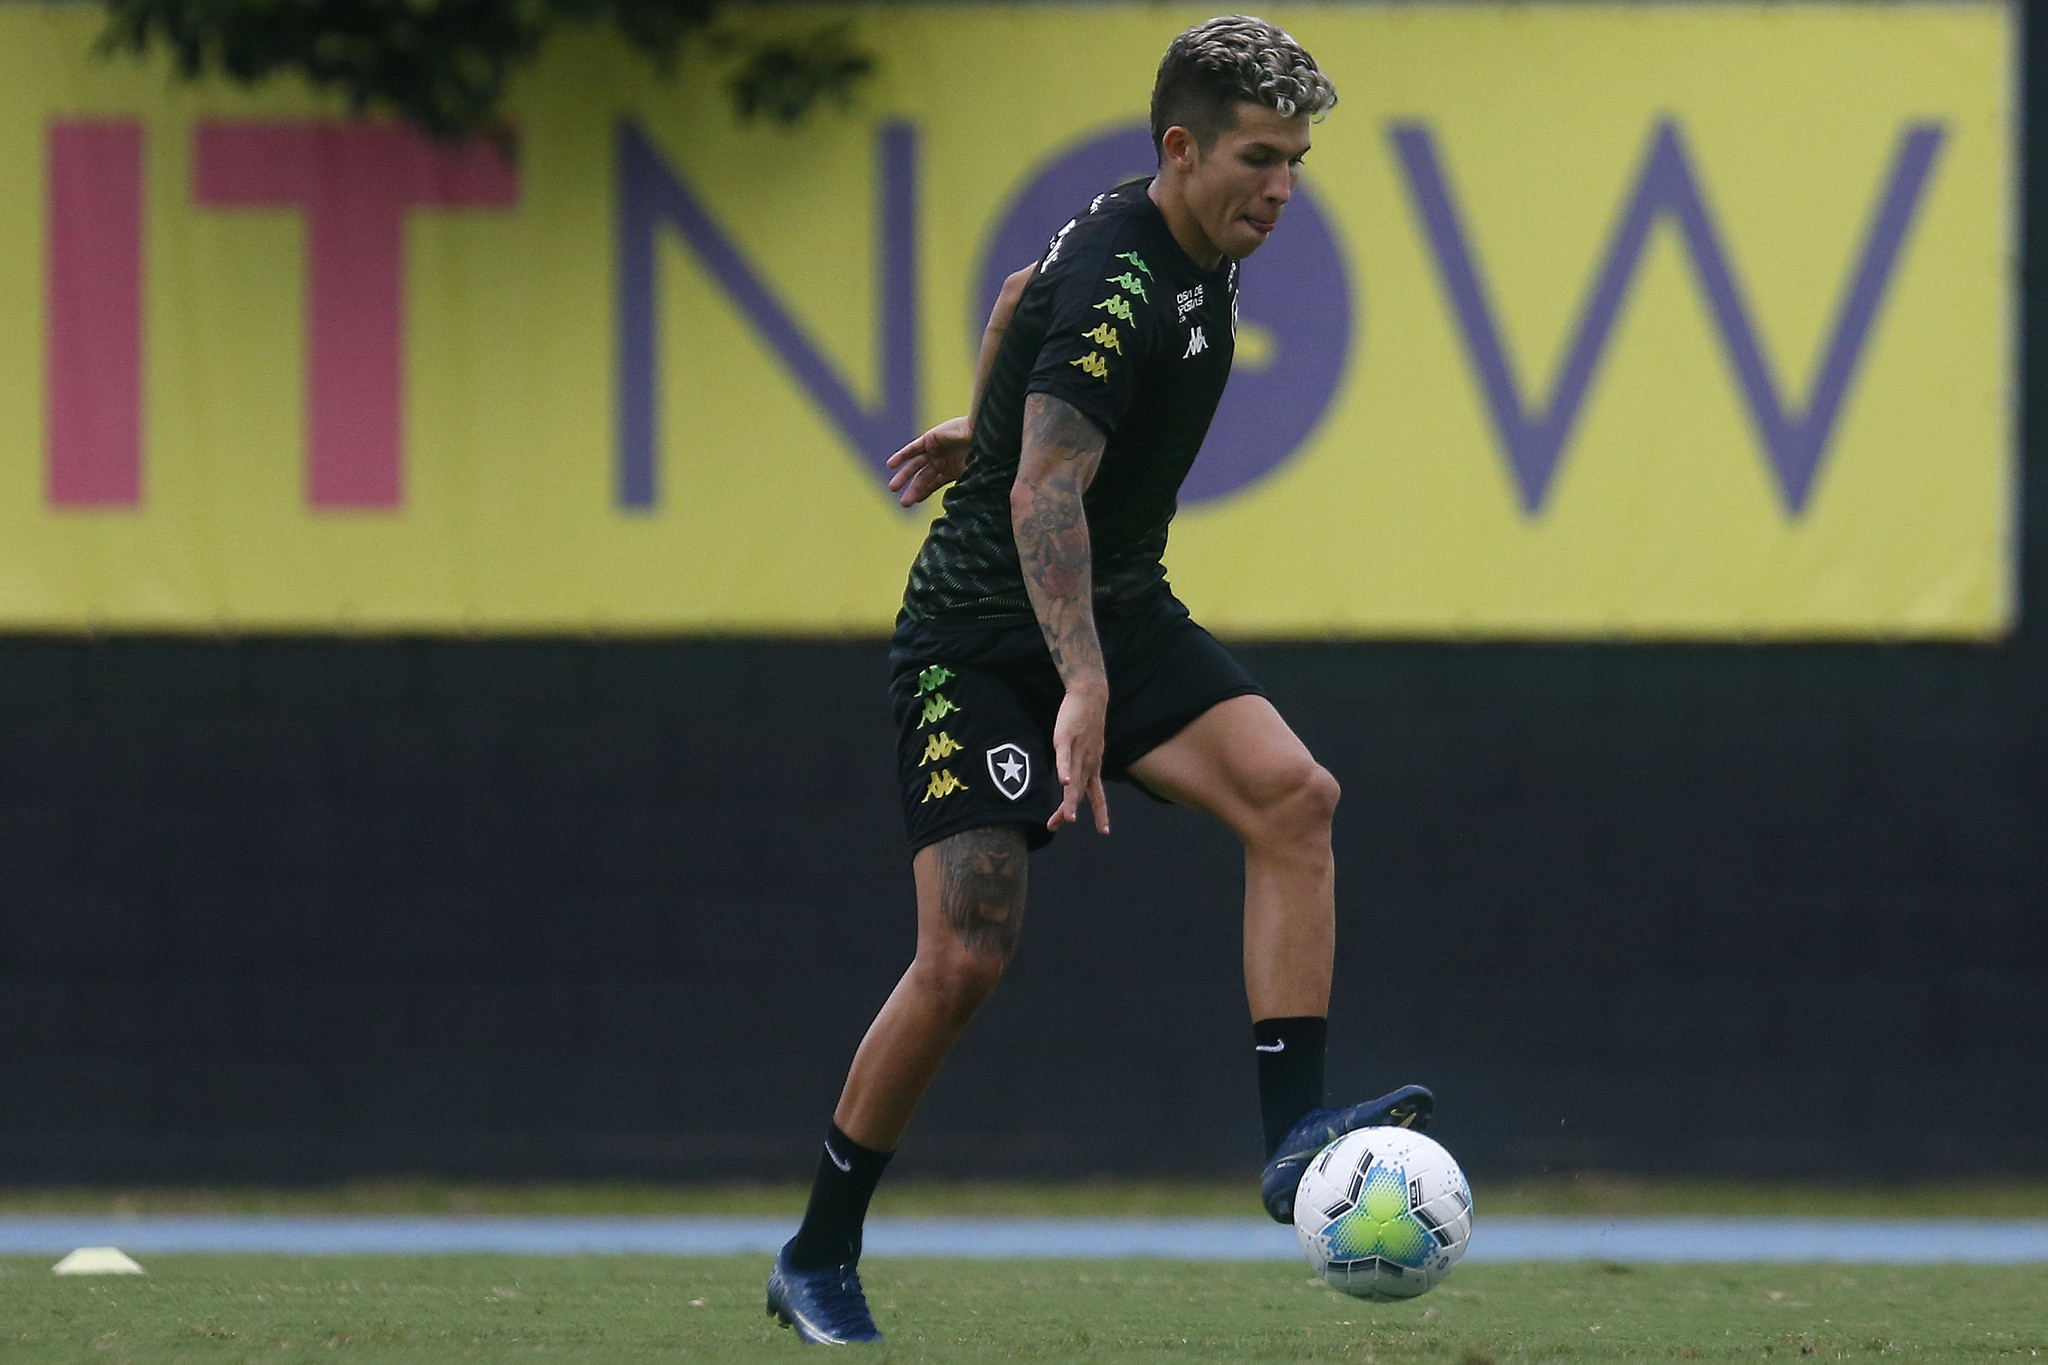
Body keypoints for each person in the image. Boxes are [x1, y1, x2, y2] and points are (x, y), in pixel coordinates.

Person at [767, 15, 1432, 1344]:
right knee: (965, 956)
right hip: (985, 641)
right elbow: (1047, 490)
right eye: (1259, 156)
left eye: (1298, 160)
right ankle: (816, 1252)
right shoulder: (1131, 280)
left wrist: (988, 408)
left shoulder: (1189, 234)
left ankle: (1296, 1139)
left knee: (1295, 798)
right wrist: (1078, 678)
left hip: (1112, 609)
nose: (1283, 188)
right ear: (1178, 149)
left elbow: (1022, 291)